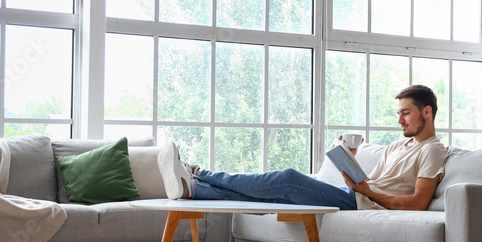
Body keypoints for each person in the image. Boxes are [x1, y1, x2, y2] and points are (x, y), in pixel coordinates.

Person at [156, 85, 448, 211]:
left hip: (361, 202)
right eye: (398, 113)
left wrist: (366, 192)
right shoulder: (397, 145)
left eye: (405, 113)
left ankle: (200, 173)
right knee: (271, 200)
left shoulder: (432, 150)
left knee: (288, 178)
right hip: (358, 196)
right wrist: (351, 161)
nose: (399, 120)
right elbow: (373, 183)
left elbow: (418, 203)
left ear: (427, 112)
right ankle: (193, 189)